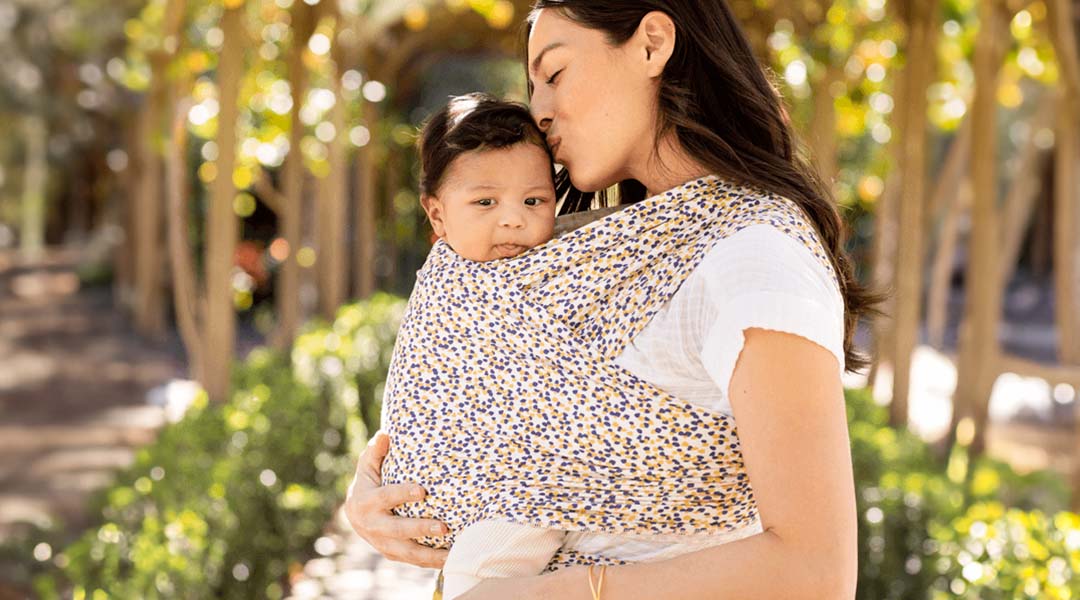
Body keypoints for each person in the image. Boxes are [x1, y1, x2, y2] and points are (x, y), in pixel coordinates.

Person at [347, 2, 879, 598]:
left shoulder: (755, 259)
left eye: (554, 74)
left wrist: (559, 591)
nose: (539, 111)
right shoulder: (601, 241)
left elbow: (816, 571)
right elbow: (497, 419)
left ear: (652, 44)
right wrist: (382, 487)